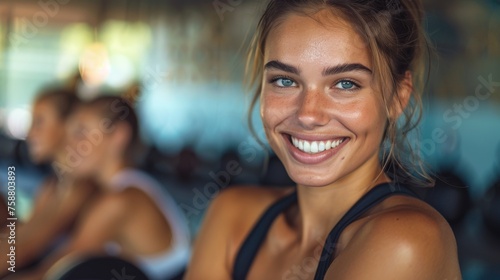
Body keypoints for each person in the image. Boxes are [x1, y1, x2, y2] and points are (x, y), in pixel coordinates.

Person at [186, 0, 462, 279]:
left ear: (397, 98)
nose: (308, 114)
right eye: (285, 80)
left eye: (346, 84)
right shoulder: (232, 214)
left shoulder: (406, 239)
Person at [11, 96, 190, 280]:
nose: (69, 144)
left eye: (81, 132)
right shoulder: (120, 187)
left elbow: (54, 273)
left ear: (119, 136)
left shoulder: (121, 200)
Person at [0, 88, 100, 278]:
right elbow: (21, 237)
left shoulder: (81, 187)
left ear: (67, 125)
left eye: (39, 122)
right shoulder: (51, 187)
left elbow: (26, 248)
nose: (30, 133)